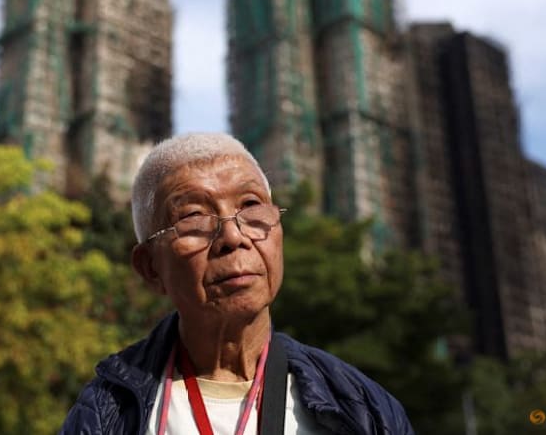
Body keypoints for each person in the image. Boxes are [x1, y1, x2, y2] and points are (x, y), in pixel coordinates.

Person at [61, 133, 414, 434]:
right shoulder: (108, 413)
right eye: (194, 217)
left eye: (250, 206)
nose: (233, 235)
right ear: (151, 267)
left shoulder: (362, 407)